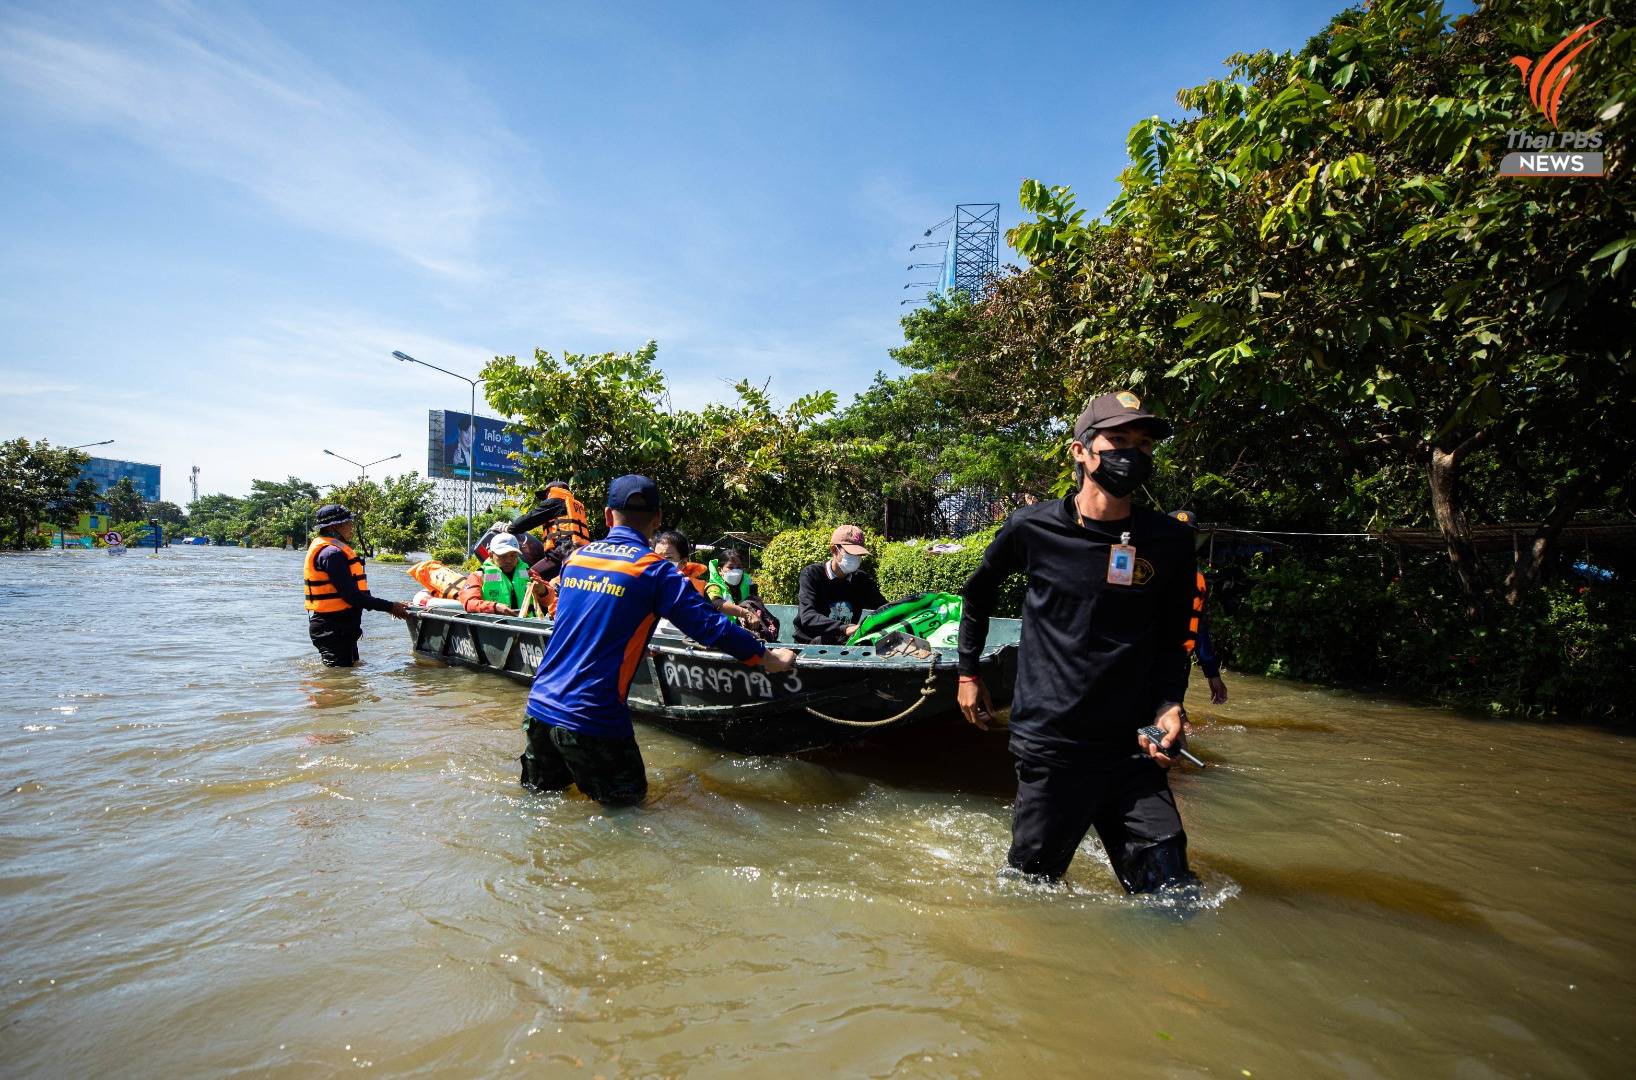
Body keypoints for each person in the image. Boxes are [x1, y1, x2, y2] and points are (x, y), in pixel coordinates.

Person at [957, 391, 1201, 894]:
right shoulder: (1033, 528)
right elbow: (976, 594)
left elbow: (1177, 635)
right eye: (1117, 440)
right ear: (1081, 451)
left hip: (1133, 745)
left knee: (1174, 895)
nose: (1131, 454)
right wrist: (967, 672)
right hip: (1053, 743)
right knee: (1032, 892)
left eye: (1143, 444)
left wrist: (1170, 705)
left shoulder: (1170, 542)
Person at [520, 475, 797, 805]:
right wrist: (768, 658)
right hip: (594, 718)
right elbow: (712, 627)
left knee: (539, 805)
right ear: (658, 519)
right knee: (628, 816)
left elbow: (581, 623)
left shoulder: (576, 561)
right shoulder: (655, 571)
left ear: (608, 516)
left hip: (540, 707)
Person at [302, 503, 407, 666]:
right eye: (348, 523)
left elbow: (357, 594)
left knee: (349, 677)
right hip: (332, 630)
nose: (351, 527)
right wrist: (389, 607)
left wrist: (392, 606)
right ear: (335, 526)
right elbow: (352, 596)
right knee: (338, 683)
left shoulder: (332, 550)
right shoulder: (332, 554)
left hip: (339, 628)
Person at [1169, 510, 1228, 704]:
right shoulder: (1140, 569)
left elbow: (1199, 627)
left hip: (1175, 662)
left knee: (1175, 718)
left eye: (1187, 536)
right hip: (1141, 661)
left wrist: (1212, 672)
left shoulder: (1197, 579)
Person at [794, 525, 886, 645]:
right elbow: (808, 616)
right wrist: (845, 628)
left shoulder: (862, 580)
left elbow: (883, 608)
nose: (855, 559)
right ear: (833, 550)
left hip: (843, 645)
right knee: (824, 641)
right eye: (850, 553)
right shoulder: (812, 574)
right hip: (808, 645)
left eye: (859, 555)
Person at [705, 547, 775, 638]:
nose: (735, 570)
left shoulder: (748, 583)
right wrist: (745, 613)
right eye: (730, 567)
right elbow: (716, 602)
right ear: (720, 570)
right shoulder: (713, 586)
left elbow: (756, 602)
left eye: (738, 567)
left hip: (745, 633)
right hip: (720, 633)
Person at [457, 532, 531, 615]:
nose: (508, 560)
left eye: (513, 555)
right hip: (495, 626)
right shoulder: (478, 576)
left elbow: (547, 598)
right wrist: (494, 607)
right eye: (502, 556)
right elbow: (469, 602)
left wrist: (543, 590)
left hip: (528, 625)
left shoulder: (528, 572)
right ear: (491, 555)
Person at [653, 530, 709, 594]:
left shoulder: (696, 590)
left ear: (683, 563)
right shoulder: (644, 584)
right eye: (656, 557)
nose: (660, 563)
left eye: (668, 558)